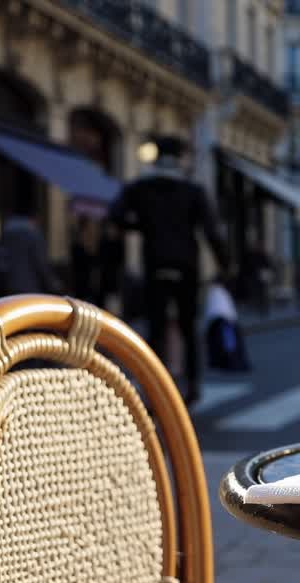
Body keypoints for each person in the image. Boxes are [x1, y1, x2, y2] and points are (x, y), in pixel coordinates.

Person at [107, 136, 229, 406]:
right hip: (187, 266)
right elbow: (212, 232)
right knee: (188, 329)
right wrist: (226, 267)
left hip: (155, 263)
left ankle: (153, 390)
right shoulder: (193, 191)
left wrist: (143, 227)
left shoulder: (140, 188)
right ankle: (193, 387)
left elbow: (115, 215)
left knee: (156, 329)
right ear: (180, 161)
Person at [0, 215, 61, 296]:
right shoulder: (33, 232)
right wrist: (54, 285)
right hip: (31, 287)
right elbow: (41, 264)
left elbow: (1, 259)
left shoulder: (7, 230)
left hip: (11, 286)